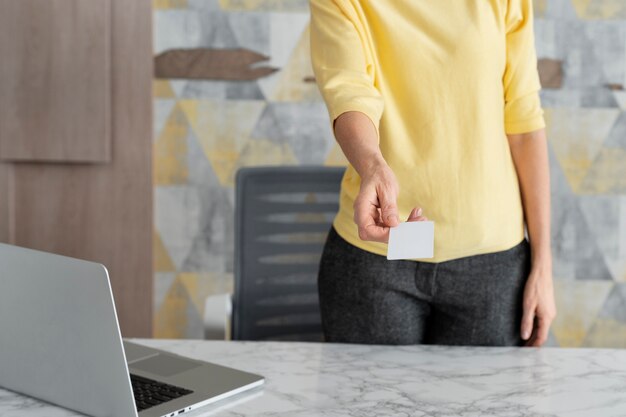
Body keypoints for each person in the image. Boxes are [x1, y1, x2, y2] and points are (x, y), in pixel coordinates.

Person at [310, 0, 557, 347]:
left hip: (492, 264)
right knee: (368, 403)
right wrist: (372, 164)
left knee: (489, 404)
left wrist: (543, 266)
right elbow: (349, 93)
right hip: (377, 259)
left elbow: (525, 122)